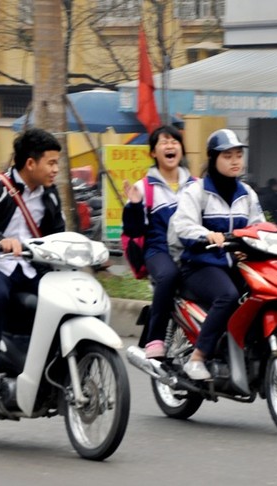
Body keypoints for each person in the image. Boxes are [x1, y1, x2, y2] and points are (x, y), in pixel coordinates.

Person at [0, 128, 66, 400]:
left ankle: (47, 368)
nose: (56, 169)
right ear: (30, 163)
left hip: (32, 268)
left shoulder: (50, 194)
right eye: (51, 162)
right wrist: (1, 240)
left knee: (63, 302)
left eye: (57, 163)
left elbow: (61, 232)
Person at [170, 129, 265, 380]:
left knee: (264, 293)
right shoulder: (197, 191)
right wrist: (206, 235)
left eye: (238, 155)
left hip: (235, 264)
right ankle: (198, 357)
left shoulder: (247, 193)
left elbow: (259, 225)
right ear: (213, 159)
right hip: (200, 264)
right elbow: (183, 225)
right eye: (227, 156)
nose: (235, 161)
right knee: (228, 296)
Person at [122, 125, 196, 359]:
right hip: (158, 250)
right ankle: (155, 339)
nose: (170, 146)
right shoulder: (144, 187)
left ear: (181, 150)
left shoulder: (197, 185)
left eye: (174, 141)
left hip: (191, 249)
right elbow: (133, 230)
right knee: (169, 275)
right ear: (153, 152)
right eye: (163, 142)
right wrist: (134, 205)